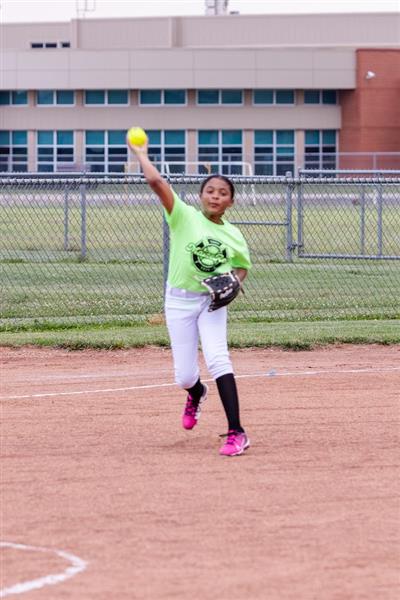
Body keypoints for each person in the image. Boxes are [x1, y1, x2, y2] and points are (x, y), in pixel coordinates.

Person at [128, 137, 252, 456]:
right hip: (178, 301)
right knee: (183, 375)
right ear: (200, 196)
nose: (215, 196)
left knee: (218, 358)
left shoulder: (234, 235)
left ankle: (237, 432)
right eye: (210, 190)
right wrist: (141, 154)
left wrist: (234, 285)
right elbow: (156, 181)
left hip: (210, 302)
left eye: (223, 193)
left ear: (231, 202)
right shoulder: (183, 216)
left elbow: (241, 268)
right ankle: (196, 392)